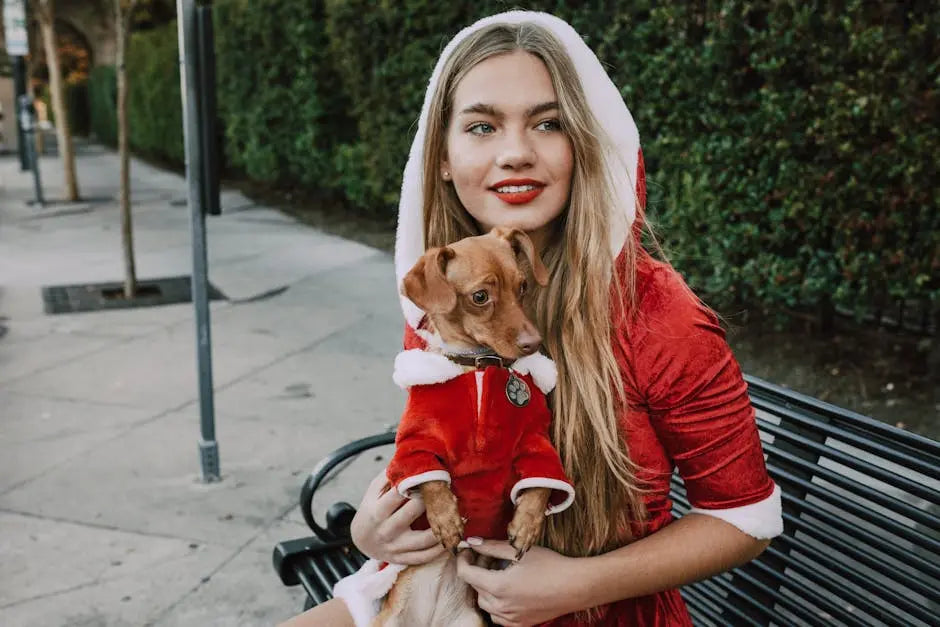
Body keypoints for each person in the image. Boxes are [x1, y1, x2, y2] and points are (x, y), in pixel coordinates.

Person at [280, 10, 782, 627]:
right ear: (441, 157)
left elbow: (745, 520)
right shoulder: (449, 296)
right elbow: (441, 442)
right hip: (446, 597)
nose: (516, 153)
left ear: (584, 143)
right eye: (483, 126)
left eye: (549, 123)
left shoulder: (656, 313)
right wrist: (372, 527)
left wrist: (576, 584)